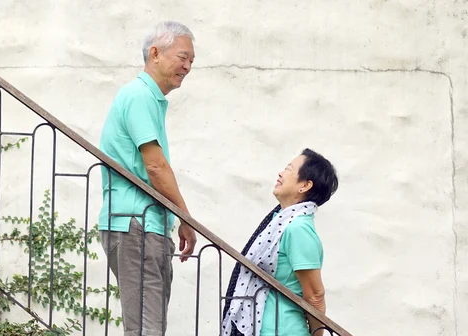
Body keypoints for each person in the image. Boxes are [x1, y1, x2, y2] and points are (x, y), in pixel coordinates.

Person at [98, 21, 198, 336]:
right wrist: (185, 217)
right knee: (145, 329)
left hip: (142, 224)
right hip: (135, 224)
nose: (187, 66)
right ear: (155, 53)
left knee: (147, 326)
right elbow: (155, 167)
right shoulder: (139, 95)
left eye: (192, 61)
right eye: (183, 57)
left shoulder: (147, 98)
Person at [222, 149, 339, 336]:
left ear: (305, 185)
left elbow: (315, 295)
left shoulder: (298, 228)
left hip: (282, 329)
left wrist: (317, 334)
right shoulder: (280, 222)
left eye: (289, 169)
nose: (281, 173)